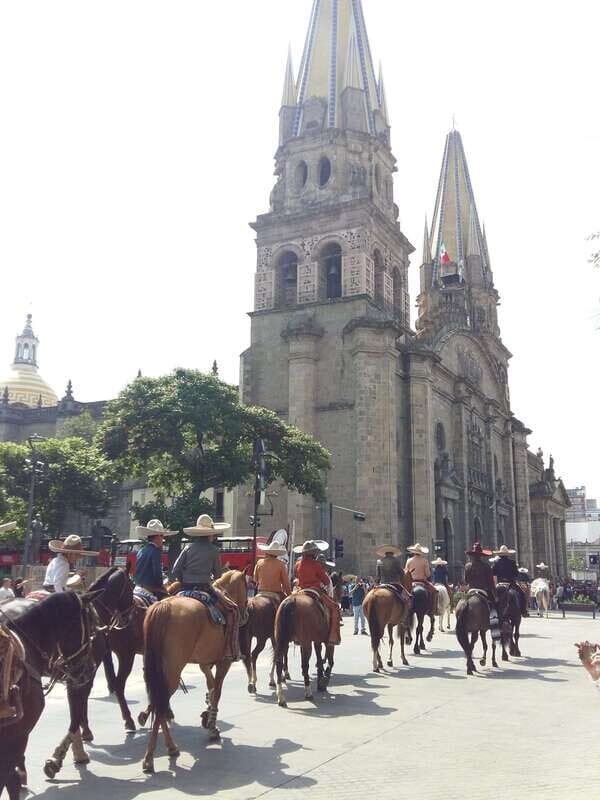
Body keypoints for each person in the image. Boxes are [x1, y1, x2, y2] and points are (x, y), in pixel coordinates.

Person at [172, 514, 240, 661]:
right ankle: (230, 649)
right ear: (210, 534)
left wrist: (184, 581)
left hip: (184, 589)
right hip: (204, 589)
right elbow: (217, 575)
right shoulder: (214, 550)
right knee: (233, 610)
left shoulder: (187, 547)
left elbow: (175, 569)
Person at [294, 540, 341, 645]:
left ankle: (294, 635)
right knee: (334, 607)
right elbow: (326, 581)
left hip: (300, 591)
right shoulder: (316, 564)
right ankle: (333, 636)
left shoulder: (297, 564)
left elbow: (296, 576)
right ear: (314, 553)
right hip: (314, 590)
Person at [134, 519, 178, 600]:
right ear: (157, 536)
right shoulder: (155, 551)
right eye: (162, 536)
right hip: (149, 589)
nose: (163, 539)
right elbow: (157, 573)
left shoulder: (141, 550)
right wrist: (161, 586)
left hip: (137, 587)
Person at [492, 545, 528, 616]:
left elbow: (493, 574)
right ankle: (524, 611)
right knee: (522, 594)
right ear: (507, 554)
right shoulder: (512, 562)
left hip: (499, 584)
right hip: (511, 584)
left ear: (500, 555)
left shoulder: (496, 563)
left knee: (492, 597)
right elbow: (516, 574)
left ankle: (492, 612)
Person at [405, 542, 438, 613]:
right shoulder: (425, 561)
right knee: (435, 591)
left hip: (411, 582)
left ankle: (404, 610)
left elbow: (406, 573)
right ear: (421, 552)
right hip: (422, 582)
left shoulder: (409, 560)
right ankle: (432, 609)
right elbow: (428, 574)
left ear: (413, 552)